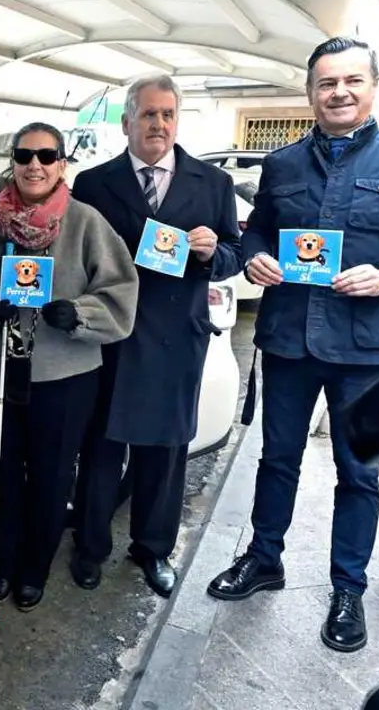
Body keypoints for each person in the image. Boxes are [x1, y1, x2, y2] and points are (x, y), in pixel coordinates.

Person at [206, 36, 379, 654]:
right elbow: (257, 238)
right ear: (310, 93)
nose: (339, 93)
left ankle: (347, 589)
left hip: (372, 346)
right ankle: (265, 558)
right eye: (327, 83)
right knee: (276, 459)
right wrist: (256, 262)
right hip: (291, 338)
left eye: (352, 81)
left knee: (359, 473)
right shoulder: (281, 166)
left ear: (373, 87)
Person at [72, 74, 244, 599]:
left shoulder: (212, 185)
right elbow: (79, 259)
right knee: (102, 446)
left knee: (165, 454)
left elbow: (234, 258)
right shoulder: (94, 184)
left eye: (168, 114)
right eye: (149, 114)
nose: (159, 124)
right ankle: (90, 545)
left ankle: (153, 549)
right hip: (113, 336)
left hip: (175, 336)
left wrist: (214, 251)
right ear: (127, 123)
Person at [0, 123, 139, 611]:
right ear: (12, 163)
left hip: (64, 375)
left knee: (52, 475)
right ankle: (2, 558)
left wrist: (79, 313)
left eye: (46, 155)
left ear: (62, 164)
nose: (34, 165)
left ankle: (34, 566)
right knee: (0, 473)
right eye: (24, 155)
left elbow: (122, 292)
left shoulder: (87, 223)